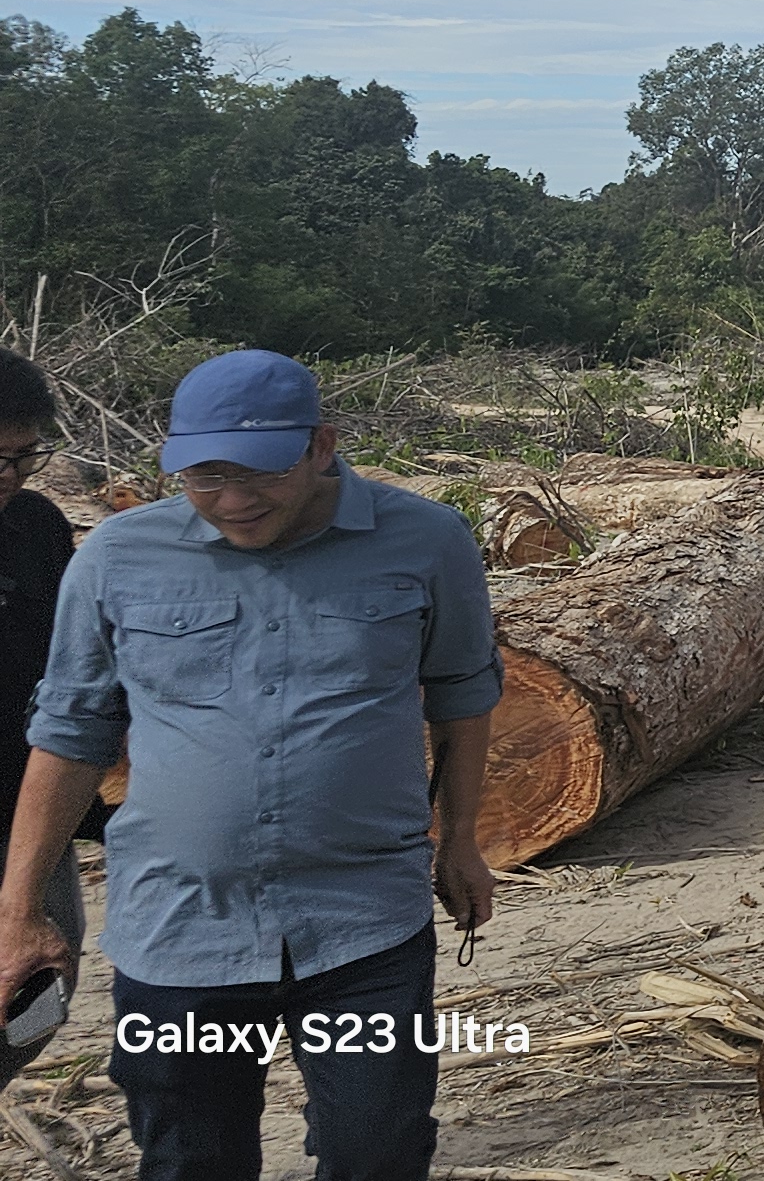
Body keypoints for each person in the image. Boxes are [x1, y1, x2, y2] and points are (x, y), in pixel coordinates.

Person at [0, 349, 502, 1181]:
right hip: (178, 929)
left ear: (320, 447)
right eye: (204, 477)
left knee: (376, 1150)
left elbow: (461, 693)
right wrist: (17, 910)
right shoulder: (117, 556)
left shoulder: (426, 540)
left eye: (258, 474)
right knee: (191, 1155)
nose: (232, 500)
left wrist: (461, 840)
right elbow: (71, 731)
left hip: (363, 922)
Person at [0, 350, 87, 1088]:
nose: (8, 475)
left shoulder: (36, 529)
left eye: (23, 456)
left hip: (26, 806)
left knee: (39, 993)